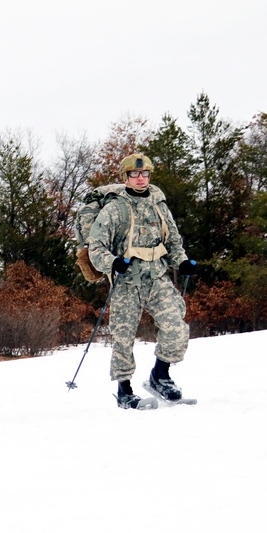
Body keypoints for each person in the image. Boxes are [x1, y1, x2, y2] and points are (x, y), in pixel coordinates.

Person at [87, 153, 196, 409]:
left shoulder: (159, 205)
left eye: (144, 173)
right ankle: (124, 390)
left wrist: (181, 261)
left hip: (157, 276)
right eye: (135, 174)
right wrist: (113, 262)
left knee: (176, 327)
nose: (140, 178)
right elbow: (96, 246)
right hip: (127, 281)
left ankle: (161, 375)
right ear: (126, 177)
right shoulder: (115, 208)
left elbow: (173, 241)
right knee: (123, 336)